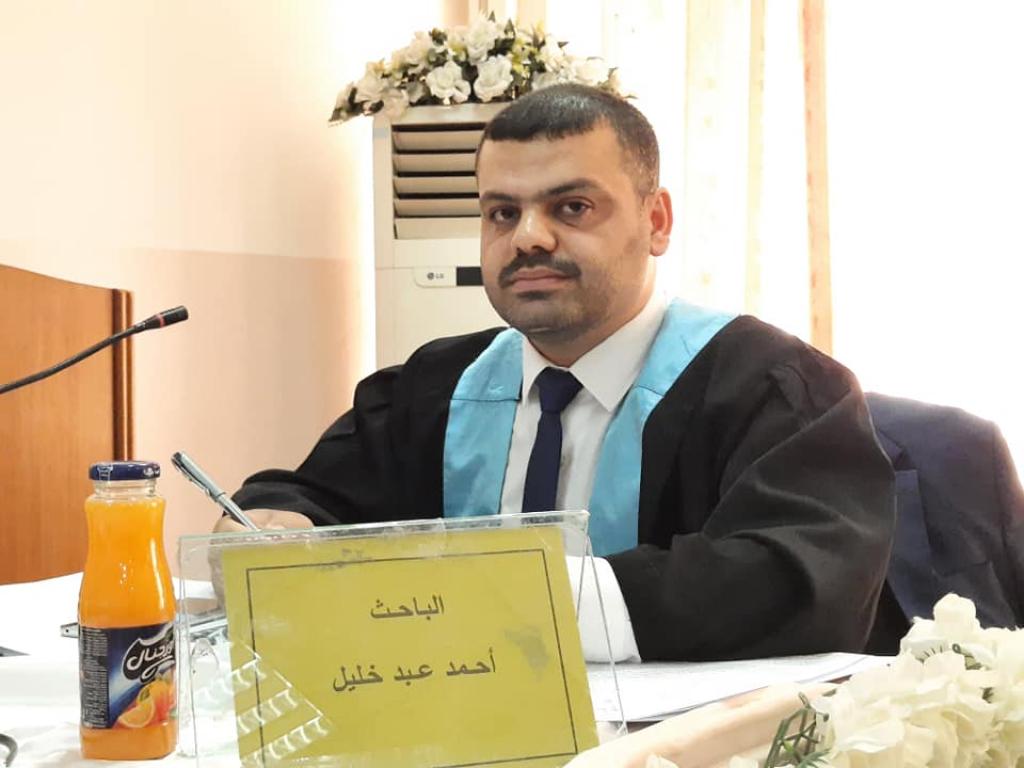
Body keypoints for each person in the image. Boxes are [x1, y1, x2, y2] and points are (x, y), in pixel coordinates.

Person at [217, 84, 895, 662]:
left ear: (656, 221)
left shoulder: (776, 388)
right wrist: (269, 526)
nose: (528, 238)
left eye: (572, 207)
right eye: (502, 213)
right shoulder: (434, 386)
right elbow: (308, 496)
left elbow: (803, 582)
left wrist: (513, 601)